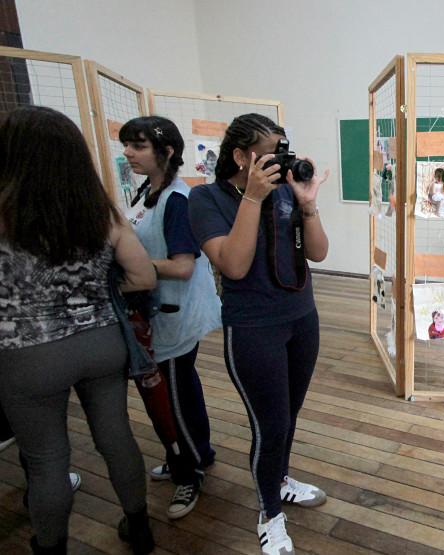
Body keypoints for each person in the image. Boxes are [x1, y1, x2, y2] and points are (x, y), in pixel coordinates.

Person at [0, 106, 156, 554]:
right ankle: (140, 527)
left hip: (28, 354)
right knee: (116, 436)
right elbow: (143, 278)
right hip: (102, 342)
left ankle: (50, 547)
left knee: (47, 461)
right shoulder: (99, 212)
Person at [188, 113, 330, 555]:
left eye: (283, 150)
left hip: (301, 319)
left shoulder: (288, 191)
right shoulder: (205, 199)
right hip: (252, 328)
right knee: (270, 426)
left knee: (288, 417)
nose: (280, 161)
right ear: (239, 156)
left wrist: (307, 204)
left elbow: (320, 253)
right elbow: (232, 264)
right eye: (271, 152)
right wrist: (252, 197)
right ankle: (269, 513)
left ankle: (281, 479)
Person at [120, 116, 222, 520]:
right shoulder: (150, 193)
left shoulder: (177, 200)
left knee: (175, 397)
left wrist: (130, 263)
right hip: (162, 315)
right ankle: (197, 454)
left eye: (139, 146)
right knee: (181, 390)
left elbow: (182, 266)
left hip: (174, 316)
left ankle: (189, 472)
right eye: (127, 144)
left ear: (166, 153)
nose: (128, 153)